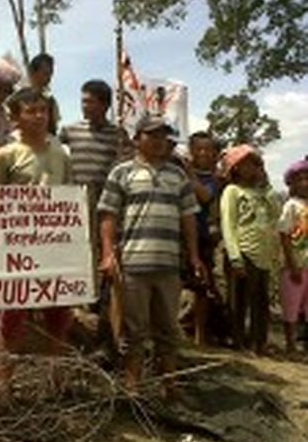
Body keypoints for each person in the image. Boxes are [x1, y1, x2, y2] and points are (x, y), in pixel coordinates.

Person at [98, 115, 203, 395]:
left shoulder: (178, 175)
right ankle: (133, 385)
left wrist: (193, 256)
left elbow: (189, 218)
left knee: (168, 328)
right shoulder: (121, 173)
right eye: (152, 135)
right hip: (132, 264)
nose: (158, 141)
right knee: (133, 330)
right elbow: (107, 216)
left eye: (163, 136)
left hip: (169, 265)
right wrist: (108, 255)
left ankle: (169, 383)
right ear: (137, 138)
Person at [0, 87, 73, 393]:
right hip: (17, 249)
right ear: (16, 117)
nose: (38, 116)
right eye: (31, 111)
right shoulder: (6, 154)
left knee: (59, 315)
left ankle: (56, 380)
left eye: (43, 110)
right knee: (12, 315)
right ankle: (4, 382)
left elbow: (72, 200)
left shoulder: (61, 152)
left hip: (55, 248)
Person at [220, 145, 280, 355]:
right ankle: (239, 341)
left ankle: (259, 343)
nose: (251, 169)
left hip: (262, 255)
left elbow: (275, 213)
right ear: (235, 168)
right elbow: (228, 225)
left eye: (254, 164)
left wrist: (267, 187)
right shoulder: (232, 191)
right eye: (245, 165)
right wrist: (235, 257)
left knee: (260, 301)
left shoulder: (263, 192)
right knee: (239, 300)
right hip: (243, 252)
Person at [59, 80, 130, 207]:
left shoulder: (118, 134)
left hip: (105, 200)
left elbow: (127, 164)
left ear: (105, 105)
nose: (84, 106)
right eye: (83, 101)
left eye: (90, 102)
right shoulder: (69, 130)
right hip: (75, 199)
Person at [184, 132, 221, 345]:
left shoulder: (215, 179)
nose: (203, 153)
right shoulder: (180, 172)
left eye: (208, 149)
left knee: (202, 286)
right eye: (199, 149)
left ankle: (200, 335)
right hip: (180, 235)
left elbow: (205, 196)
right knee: (176, 282)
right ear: (192, 151)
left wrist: (190, 175)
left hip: (204, 237)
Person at [278, 160, 308, 354]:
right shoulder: (291, 206)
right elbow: (284, 234)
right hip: (296, 264)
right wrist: (292, 264)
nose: (305, 183)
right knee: (291, 304)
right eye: (300, 179)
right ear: (292, 184)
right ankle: (290, 344)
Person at [27, 53, 60, 136]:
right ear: (33, 72)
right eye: (45, 73)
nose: (49, 78)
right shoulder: (18, 97)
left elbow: (53, 128)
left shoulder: (50, 101)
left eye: (50, 74)